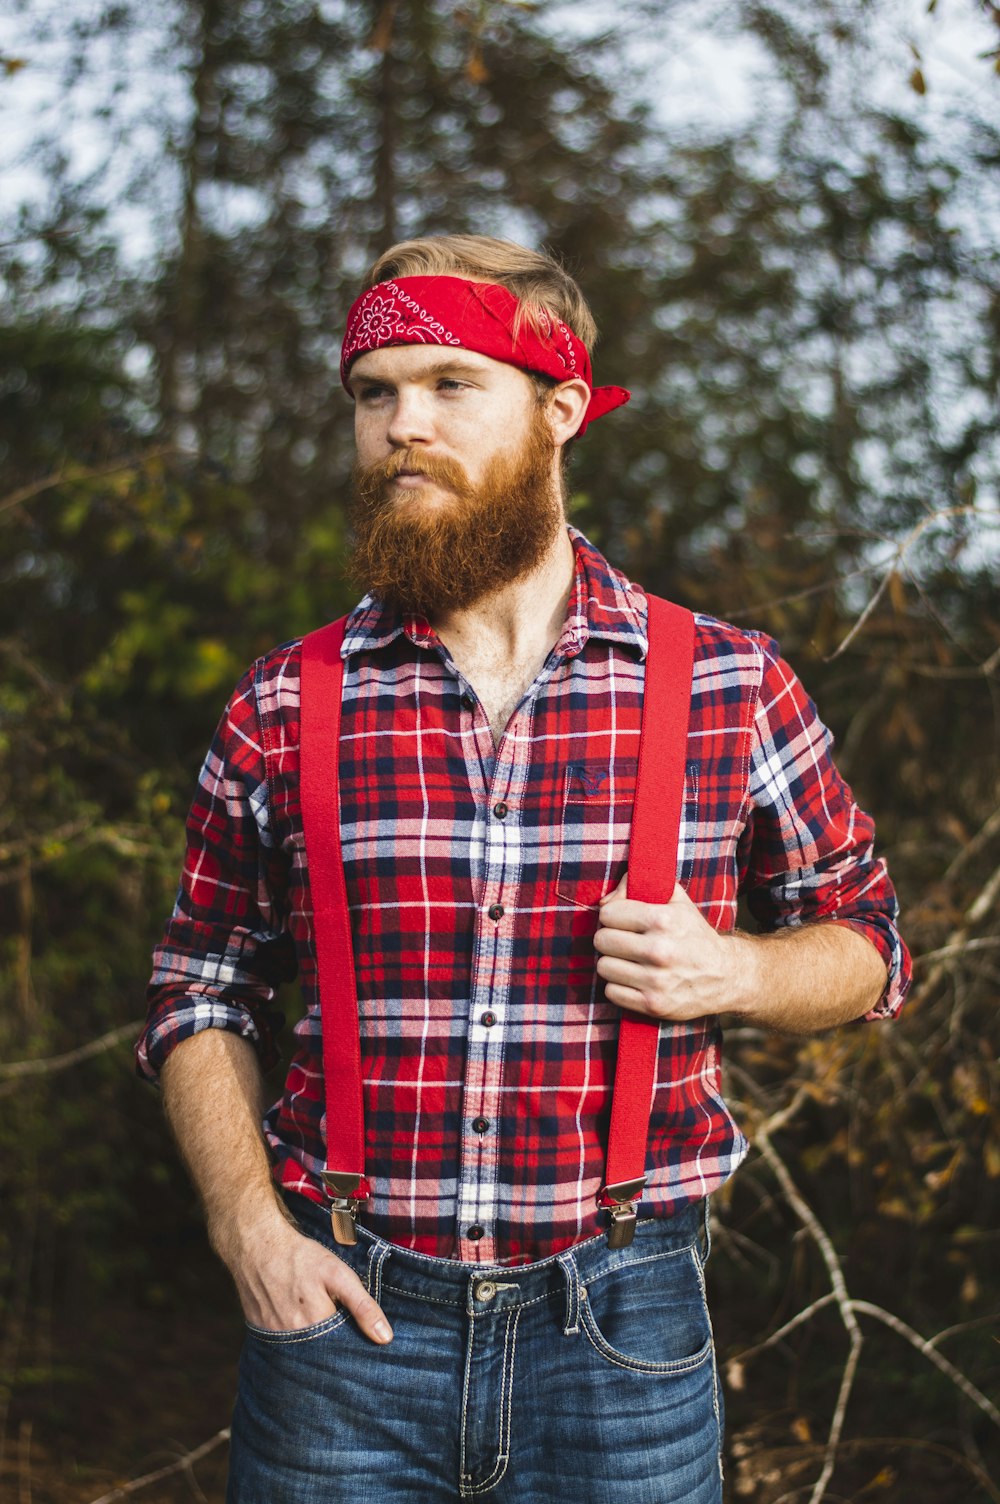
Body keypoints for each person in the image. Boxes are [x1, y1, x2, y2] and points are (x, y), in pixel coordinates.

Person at [136, 234, 910, 1504]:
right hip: (338, 1327)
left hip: (622, 1335)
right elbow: (199, 987)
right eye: (373, 393)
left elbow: (870, 943)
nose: (401, 425)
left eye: (449, 384)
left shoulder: (723, 683)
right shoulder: (286, 704)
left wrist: (737, 969)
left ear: (558, 412)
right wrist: (245, 1232)